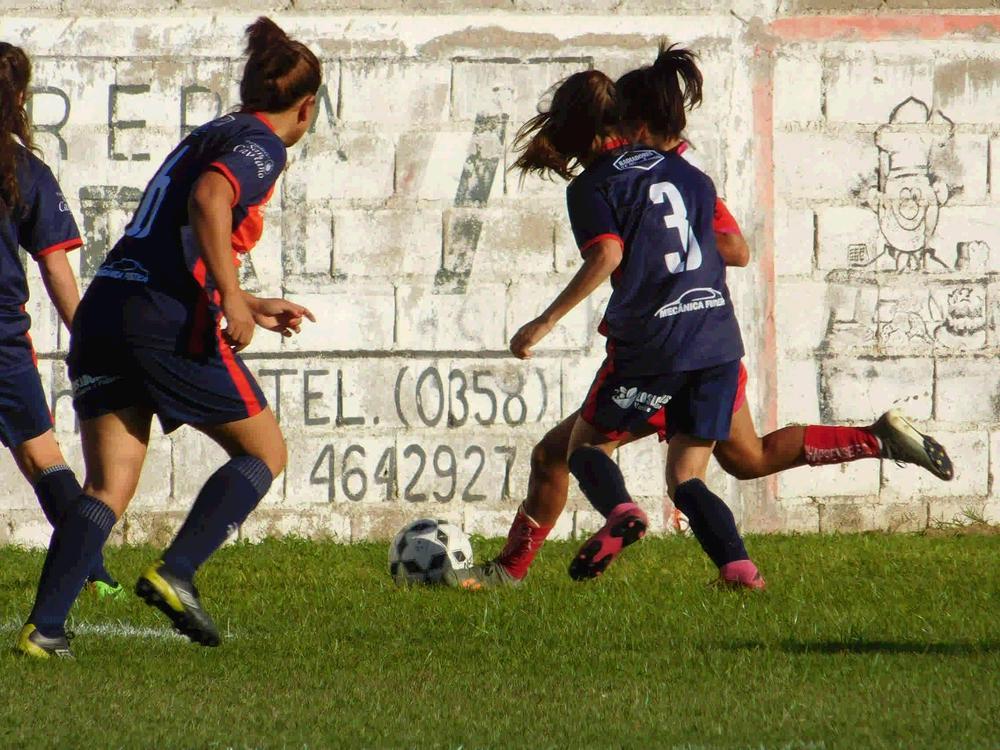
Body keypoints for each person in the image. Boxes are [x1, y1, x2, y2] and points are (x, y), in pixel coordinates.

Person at [446, 47, 953, 591]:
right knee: (739, 459)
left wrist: (546, 320)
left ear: (625, 124)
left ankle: (520, 565)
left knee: (566, 453)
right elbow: (735, 248)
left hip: (654, 344)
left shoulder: (597, 185)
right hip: (713, 336)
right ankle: (863, 453)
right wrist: (676, 237)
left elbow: (614, 253)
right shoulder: (688, 174)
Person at [16, 17, 320, 659]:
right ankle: (177, 571)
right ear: (307, 106)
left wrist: (249, 302)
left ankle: (44, 631)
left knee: (107, 487)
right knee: (264, 452)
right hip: (159, 319)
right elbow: (210, 201)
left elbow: (172, 238)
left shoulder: (209, 133)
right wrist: (231, 298)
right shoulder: (264, 144)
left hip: (106, 310)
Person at [0, 42, 122, 604]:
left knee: (40, 458)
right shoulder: (25, 170)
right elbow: (57, 270)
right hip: (3, 342)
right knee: (42, 458)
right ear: (20, 98)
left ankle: (90, 567)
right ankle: (91, 569)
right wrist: (88, 337)